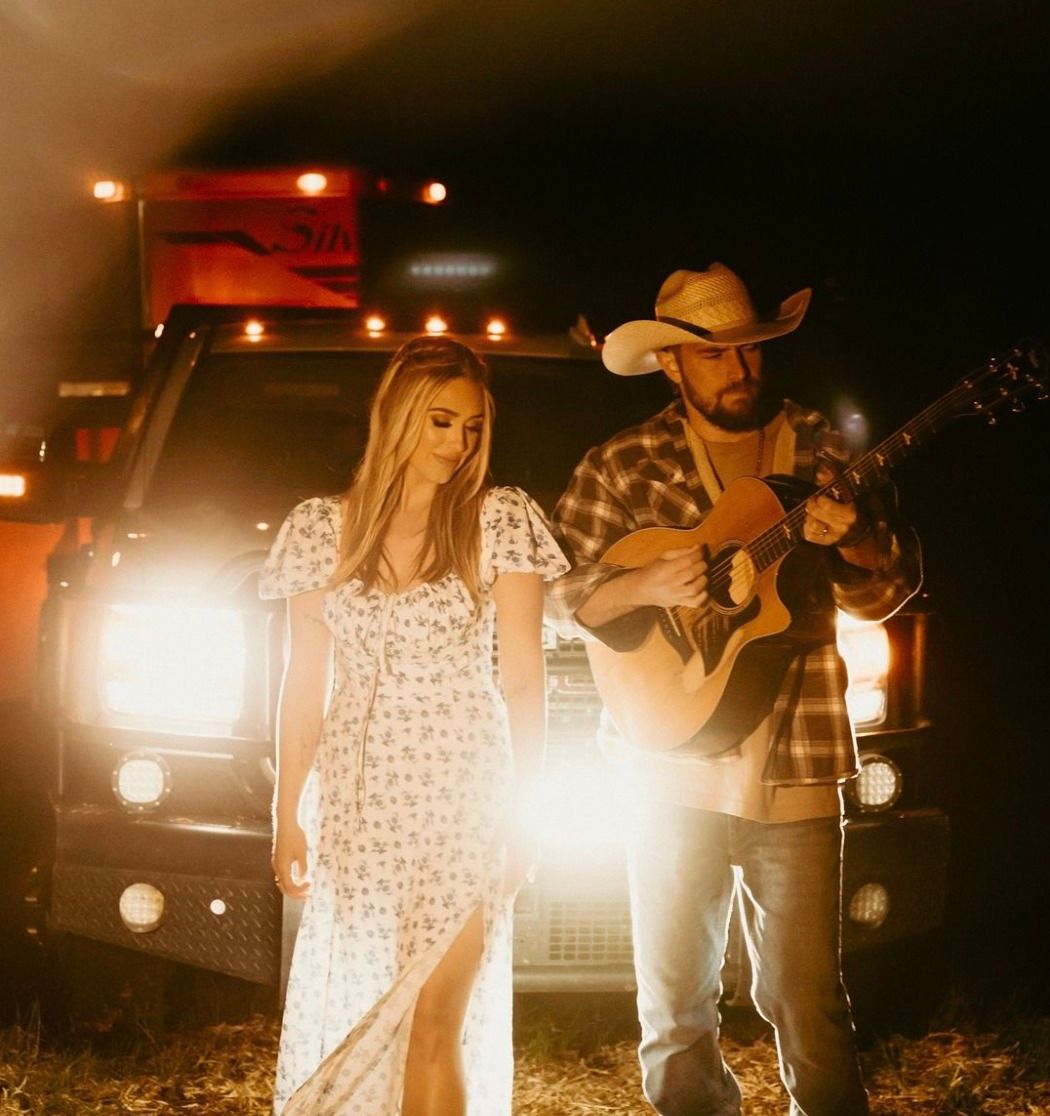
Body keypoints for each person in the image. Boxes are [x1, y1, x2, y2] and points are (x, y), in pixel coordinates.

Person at [549, 263, 922, 1116]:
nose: (741, 370)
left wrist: (859, 536)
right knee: (675, 1013)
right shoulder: (624, 465)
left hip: (794, 759)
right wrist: (643, 589)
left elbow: (887, 586)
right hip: (662, 762)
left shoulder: (823, 451)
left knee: (809, 1004)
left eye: (750, 351)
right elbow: (558, 590)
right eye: (716, 357)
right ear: (673, 366)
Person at [259, 335, 569, 1115]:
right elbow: (304, 683)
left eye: (470, 427)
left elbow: (526, 681)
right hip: (361, 808)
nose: (459, 444)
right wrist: (287, 811)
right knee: (380, 1015)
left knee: (436, 1017)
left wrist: (526, 814)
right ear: (396, 418)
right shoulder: (318, 530)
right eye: (440, 422)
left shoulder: (499, 521)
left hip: (463, 799)